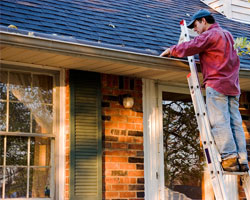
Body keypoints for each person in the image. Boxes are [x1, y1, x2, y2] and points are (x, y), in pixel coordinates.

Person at [160, 9, 249, 172]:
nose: (194, 30)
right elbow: (235, 61)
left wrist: (172, 50)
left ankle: (229, 158)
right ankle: (242, 159)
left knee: (219, 121)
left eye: (195, 25)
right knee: (235, 122)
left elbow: (193, 45)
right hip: (232, 86)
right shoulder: (228, 35)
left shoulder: (211, 35)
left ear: (203, 21)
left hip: (217, 85)